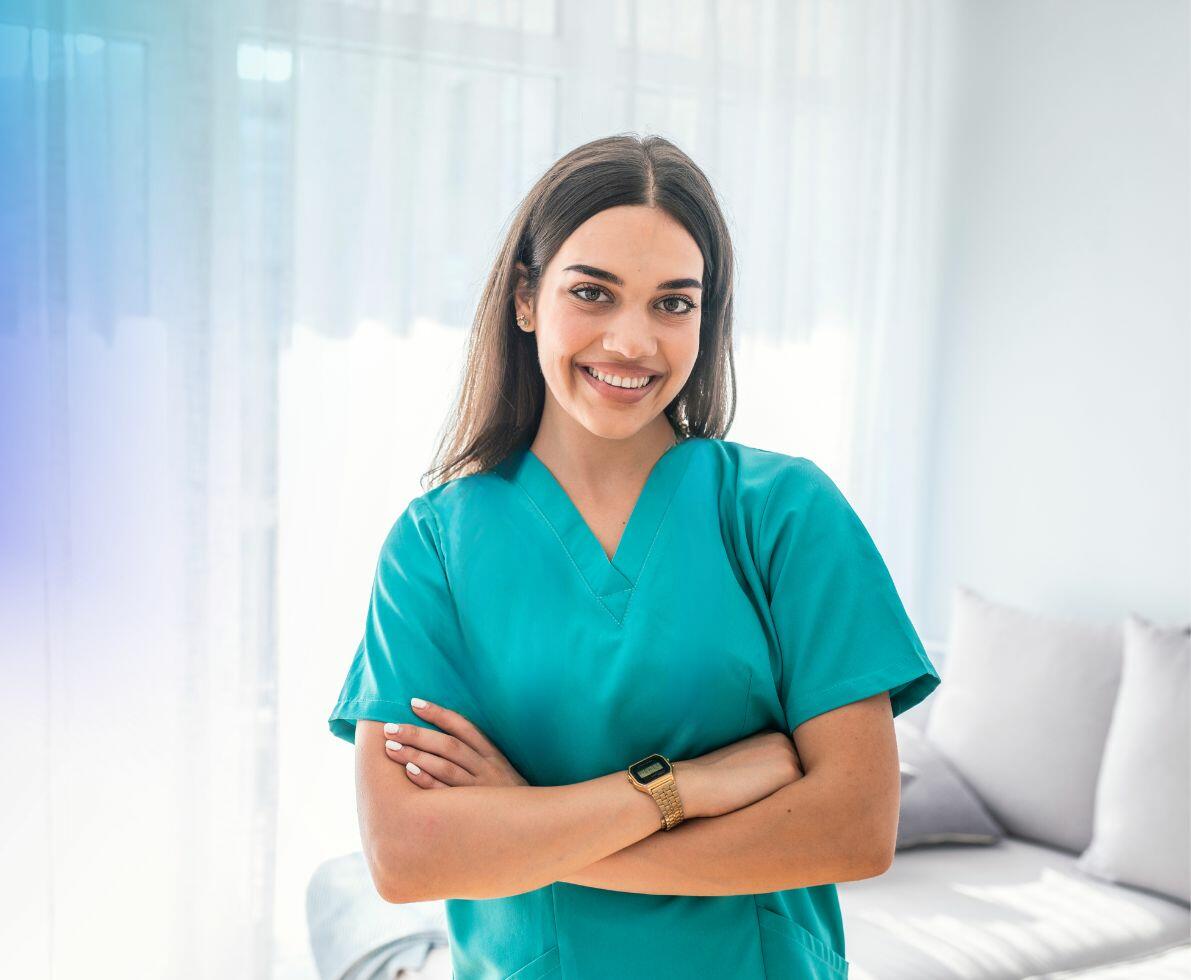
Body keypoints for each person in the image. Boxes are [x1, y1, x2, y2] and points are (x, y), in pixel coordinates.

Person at [328, 133, 941, 979]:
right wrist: (678, 788)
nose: (632, 341)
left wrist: (524, 828)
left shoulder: (783, 513)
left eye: (672, 303)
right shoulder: (433, 545)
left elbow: (854, 830)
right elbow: (406, 858)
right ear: (526, 299)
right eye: (593, 292)